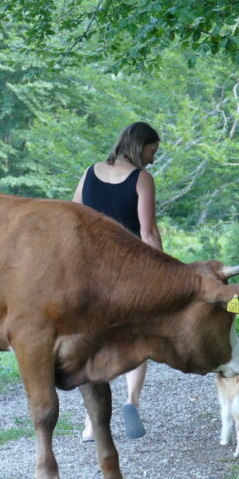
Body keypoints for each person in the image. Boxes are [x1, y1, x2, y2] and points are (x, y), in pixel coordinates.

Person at [72, 121, 163, 441]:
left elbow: (73, 218)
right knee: (138, 338)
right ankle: (130, 401)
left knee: (95, 342)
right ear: (140, 147)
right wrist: (163, 271)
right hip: (131, 272)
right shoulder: (142, 179)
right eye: (152, 151)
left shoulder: (89, 174)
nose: (153, 158)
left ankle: (89, 420)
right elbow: (148, 231)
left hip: (91, 272)